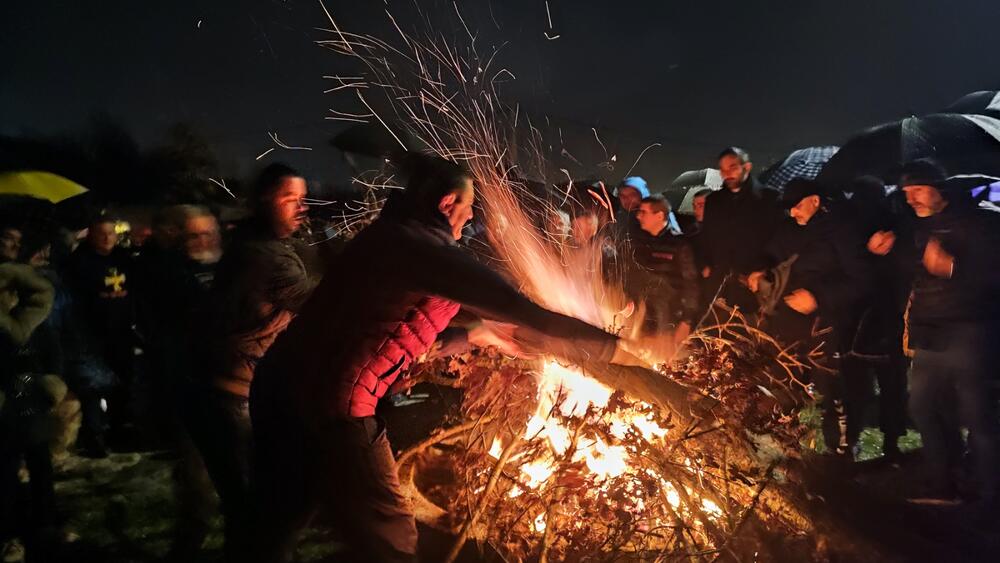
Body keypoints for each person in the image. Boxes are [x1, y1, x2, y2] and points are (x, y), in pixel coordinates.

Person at [249, 154, 627, 563]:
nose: (470, 219)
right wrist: (614, 349)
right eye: (468, 209)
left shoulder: (390, 237)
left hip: (280, 387)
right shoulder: (423, 250)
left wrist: (475, 334)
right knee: (390, 538)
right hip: (332, 407)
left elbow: (390, 327)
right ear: (448, 204)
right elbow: (520, 309)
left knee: (279, 522)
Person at [187, 164, 318, 562]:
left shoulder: (259, 244)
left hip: (232, 395)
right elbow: (327, 305)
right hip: (233, 400)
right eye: (289, 198)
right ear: (264, 200)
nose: (302, 208)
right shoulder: (263, 257)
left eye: (303, 199)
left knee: (248, 514)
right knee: (265, 513)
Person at [890, 159, 1000, 502]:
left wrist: (955, 267)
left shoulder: (979, 220)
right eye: (907, 192)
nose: (912, 199)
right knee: (922, 408)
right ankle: (943, 481)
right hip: (929, 333)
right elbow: (916, 272)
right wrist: (891, 252)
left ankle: (990, 494)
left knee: (976, 415)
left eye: (919, 190)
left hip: (969, 331)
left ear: (940, 188)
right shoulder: (919, 225)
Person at [746, 179, 871, 454]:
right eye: (789, 209)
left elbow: (861, 280)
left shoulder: (842, 230)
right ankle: (783, 445)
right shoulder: (788, 229)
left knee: (832, 392)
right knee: (782, 383)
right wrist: (759, 269)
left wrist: (818, 297)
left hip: (826, 325)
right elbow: (769, 253)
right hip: (786, 323)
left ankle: (842, 451)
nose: (793, 213)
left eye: (797, 206)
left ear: (815, 200)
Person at [840, 176, 910, 459]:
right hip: (886, 317)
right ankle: (890, 442)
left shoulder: (850, 226)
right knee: (892, 384)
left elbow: (849, 267)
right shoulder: (898, 224)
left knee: (858, 385)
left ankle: (854, 440)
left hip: (860, 318)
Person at [0, 261, 62, 562]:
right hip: (5, 398)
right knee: (5, 469)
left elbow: (47, 348)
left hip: (27, 393)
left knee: (39, 463)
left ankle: (45, 524)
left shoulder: (29, 314)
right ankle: (9, 533)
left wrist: (52, 379)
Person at [64, 216, 138, 452]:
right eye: (101, 234)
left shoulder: (123, 259)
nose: (107, 239)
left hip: (121, 332)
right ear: (91, 235)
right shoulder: (79, 262)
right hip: (92, 334)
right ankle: (94, 433)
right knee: (93, 386)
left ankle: (119, 428)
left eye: (110, 233)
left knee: (122, 382)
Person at [700, 147, 782, 313]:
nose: (727, 173)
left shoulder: (769, 199)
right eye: (722, 169)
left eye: (733, 167)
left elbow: (778, 239)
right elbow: (706, 236)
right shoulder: (714, 201)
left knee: (749, 331)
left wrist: (763, 268)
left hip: (753, 281)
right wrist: (705, 263)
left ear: (747, 167)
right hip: (719, 280)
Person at [626, 195, 699, 351]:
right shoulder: (643, 242)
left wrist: (686, 322)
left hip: (669, 317)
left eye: (644, 212)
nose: (638, 216)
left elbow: (691, 285)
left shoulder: (680, 245)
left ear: (659, 216)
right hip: (646, 314)